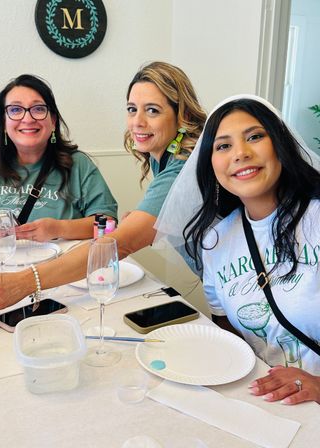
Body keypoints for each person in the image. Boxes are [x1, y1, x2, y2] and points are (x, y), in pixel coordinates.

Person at [0, 62, 206, 310]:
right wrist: (154, 220)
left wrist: (25, 283)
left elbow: (119, 241)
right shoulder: (163, 158)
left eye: (152, 110)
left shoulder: (182, 166)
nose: (137, 122)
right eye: (132, 109)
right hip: (220, 284)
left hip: (237, 282)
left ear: (182, 115)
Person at [156, 94, 320, 406]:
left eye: (255, 137)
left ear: (280, 145)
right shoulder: (215, 241)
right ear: (211, 163)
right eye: (223, 146)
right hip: (265, 408)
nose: (240, 154)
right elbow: (228, 328)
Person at [0, 74, 117, 241]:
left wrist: (58, 228)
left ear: (53, 120)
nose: (27, 118)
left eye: (38, 109)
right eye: (15, 110)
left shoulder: (78, 165)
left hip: (62, 265)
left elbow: (108, 222)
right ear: (3, 122)